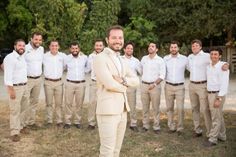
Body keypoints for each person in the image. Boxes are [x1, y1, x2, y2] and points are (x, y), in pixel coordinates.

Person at [93, 25, 139, 157]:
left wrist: (123, 80)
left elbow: (136, 80)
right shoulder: (100, 58)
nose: (117, 40)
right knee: (107, 151)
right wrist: (126, 86)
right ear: (107, 40)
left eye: (120, 38)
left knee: (116, 151)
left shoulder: (120, 59)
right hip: (107, 111)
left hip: (122, 110)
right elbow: (109, 84)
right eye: (114, 38)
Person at [188, 39, 228, 138]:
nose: (194, 47)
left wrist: (226, 64)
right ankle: (197, 129)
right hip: (192, 85)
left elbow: (219, 62)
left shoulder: (207, 56)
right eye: (193, 46)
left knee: (206, 110)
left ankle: (211, 133)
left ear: (200, 47)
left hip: (203, 86)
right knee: (194, 108)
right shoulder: (190, 57)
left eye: (197, 45)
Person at [4, 39, 29, 142]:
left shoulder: (22, 57)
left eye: (23, 46)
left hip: (25, 86)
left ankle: (22, 126)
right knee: (15, 110)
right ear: (15, 46)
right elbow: (8, 76)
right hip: (15, 88)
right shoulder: (10, 58)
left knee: (24, 108)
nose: (22, 47)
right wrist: (11, 90)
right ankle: (14, 132)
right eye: (19, 45)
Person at [204, 48, 229, 147]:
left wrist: (219, 98)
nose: (213, 56)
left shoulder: (223, 67)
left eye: (216, 54)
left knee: (215, 117)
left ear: (220, 56)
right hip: (209, 93)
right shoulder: (209, 66)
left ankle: (213, 139)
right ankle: (222, 135)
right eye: (212, 54)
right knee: (218, 115)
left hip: (218, 94)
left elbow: (224, 84)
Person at [140, 42, 166, 134]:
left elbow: (162, 75)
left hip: (155, 86)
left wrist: (154, 84)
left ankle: (156, 126)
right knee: (145, 107)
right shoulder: (144, 59)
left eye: (152, 46)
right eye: (149, 46)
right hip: (144, 86)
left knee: (155, 107)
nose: (150, 47)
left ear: (156, 49)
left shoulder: (160, 60)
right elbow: (141, 71)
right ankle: (145, 125)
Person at [163, 41, 188, 135]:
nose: (173, 49)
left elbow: (192, 68)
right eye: (171, 47)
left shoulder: (184, 59)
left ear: (178, 48)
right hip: (168, 86)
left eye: (175, 47)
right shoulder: (165, 58)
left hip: (180, 87)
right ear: (170, 49)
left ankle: (180, 128)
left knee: (180, 108)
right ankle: (171, 126)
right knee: (169, 108)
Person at [63, 42, 90, 129]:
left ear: (79, 49)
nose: (75, 50)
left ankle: (77, 121)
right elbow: (63, 67)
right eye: (73, 48)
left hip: (81, 84)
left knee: (79, 104)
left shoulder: (84, 58)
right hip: (70, 83)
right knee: (68, 103)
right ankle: (67, 121)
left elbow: (88, 68)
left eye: (76, 48)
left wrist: (83, 72)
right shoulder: (67, 58)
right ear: (70, 49)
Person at [43, 40, 66, 127]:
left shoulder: (62, 56)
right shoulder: (44, 56)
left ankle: (59, 120)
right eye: (52, 45)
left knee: (58, 103)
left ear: (58, 47)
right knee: (49, 103)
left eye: (56, 46)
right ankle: (49, 120)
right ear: (49, 47)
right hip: (48, 82)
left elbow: (66, 65)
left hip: (59, 82)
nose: (54, 47)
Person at [24, 32, 44, 129]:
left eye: (40, 40)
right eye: (36, 39)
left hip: (38, 79)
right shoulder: (24, 48)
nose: (38, 41)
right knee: (24, 102)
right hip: (27, 79)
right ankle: (22, 124)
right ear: (31, 39)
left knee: (34, 102)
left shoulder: (41, 49)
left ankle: (31, 122)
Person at [121, 41, 141, 132]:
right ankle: (121, 123)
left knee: (132, 105)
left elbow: (141, 72)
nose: (130, 50)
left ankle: (133, 123)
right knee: (121, 105)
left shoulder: (136, 61)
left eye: (131, 48)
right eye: (128, 48)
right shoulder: (119, 59)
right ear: (124, 49)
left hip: (131, 86)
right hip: (121, 85)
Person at [87, 39, 105, 130]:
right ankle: (91, 123)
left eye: (100, 45)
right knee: (92, 103)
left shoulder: (107, 56)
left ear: (103, 47)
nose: (98, 47)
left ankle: (102, 123)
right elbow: (87, 69)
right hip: (94, 83)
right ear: (94, 47)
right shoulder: (91, 56)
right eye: (97, 45)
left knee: (103, 103)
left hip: (104, 84)